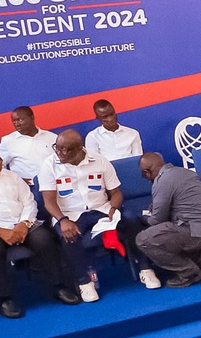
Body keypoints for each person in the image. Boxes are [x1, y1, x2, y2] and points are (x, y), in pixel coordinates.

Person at [0, 141, 71, 312]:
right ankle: (4, 299)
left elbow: (29, 202)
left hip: (21, 223)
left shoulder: (12, 176)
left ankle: (58, 287)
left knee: (44, 238)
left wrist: (24, 223)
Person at [35, 129, 137, 302]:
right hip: (70, 215)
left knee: (132, 220)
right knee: (68, 236)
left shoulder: (100, 161)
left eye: (64, 149)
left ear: (79, 148)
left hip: (101, 210)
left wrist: (114, 207)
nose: (59, 153)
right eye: (57, 148)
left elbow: (116, 192)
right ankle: (84, 283)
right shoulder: (49, 165)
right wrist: (62, 220)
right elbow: (49, 202)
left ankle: (144, 268)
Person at [134, 150, 201, 288]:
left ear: (147, 172)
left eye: (144, 175)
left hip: (195, 232)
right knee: (171, 230)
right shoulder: (186, 172)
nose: (146, 178)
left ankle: (190, 272)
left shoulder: (162, 181)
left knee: (144, 239)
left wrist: (143, 218)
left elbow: (156, 221)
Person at [0, 104, 57, 178]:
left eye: (19, 120)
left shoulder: (52, 137)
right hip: (25, 187)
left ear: (32, 118)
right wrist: (15, 180)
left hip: (52, 184)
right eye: (14, 121)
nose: (17, 124)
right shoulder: (8, 141)